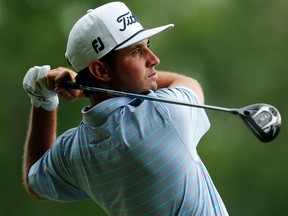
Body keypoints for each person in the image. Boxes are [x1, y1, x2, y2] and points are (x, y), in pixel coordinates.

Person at [22, 2, 229, 215]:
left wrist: (43, 101)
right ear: (100, 70)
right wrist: (83, 89)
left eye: (148, 46)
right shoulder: (165, 115)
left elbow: (34, 180)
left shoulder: (74, 151)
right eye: (137, 51)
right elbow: (186, 82)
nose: (154, 59)